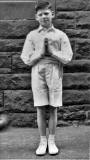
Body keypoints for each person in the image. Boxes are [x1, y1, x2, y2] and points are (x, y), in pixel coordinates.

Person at [21, 0, 73, 156]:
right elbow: (26, 59)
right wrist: (40, 53)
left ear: (52, 14)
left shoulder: (60, 35)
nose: (44, 16)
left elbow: (67, 57)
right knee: (40, 107)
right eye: (40, 14)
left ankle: (52, 140)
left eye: (46, 13)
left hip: (54, 70)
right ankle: (42, 141)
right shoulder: (32, 36)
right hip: (38, 71)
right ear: (36, 17)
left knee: (53, 107)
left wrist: (52, 52)